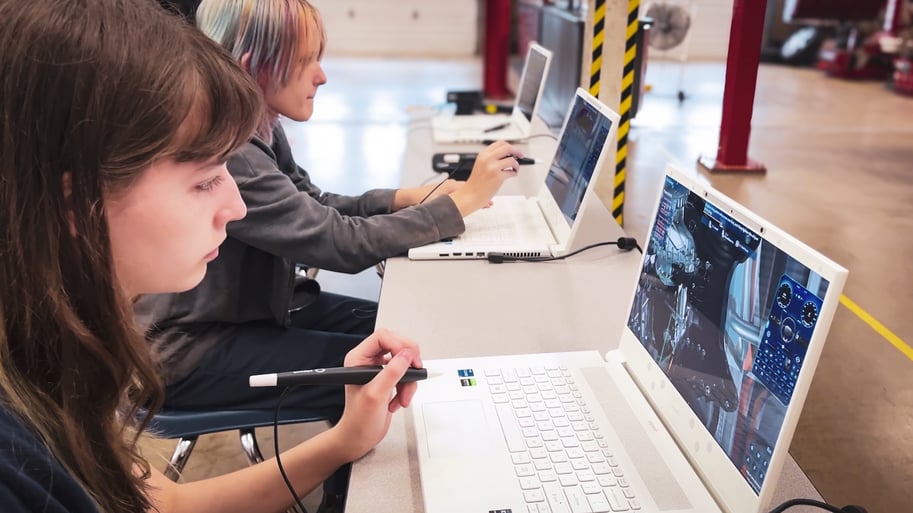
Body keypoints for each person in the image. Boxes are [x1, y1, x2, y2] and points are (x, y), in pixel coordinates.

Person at [0, 1, 421, 512]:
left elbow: (167, 505)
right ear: (79, 205)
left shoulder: (50, 361)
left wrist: (344, 441)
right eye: (203, 181)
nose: (235, 204)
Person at [134, 0, 522, 413]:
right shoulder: (231, 151)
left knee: (409, 331)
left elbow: (312, 206)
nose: (321, 76)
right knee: (380, 373)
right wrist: (462, 204)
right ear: (253, 67)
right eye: (305, 61)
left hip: (257, 311)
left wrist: (403, 199)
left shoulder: (258, 123)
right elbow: (336, 242)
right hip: (191, 352)